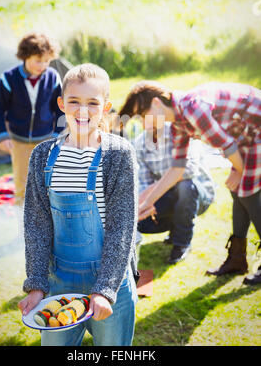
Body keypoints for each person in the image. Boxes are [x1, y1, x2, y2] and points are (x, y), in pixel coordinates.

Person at [18, 63, 139, 346]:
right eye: (74, 101)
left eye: (92, 103)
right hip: (59, 283)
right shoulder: (42, 156)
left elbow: (122, 228)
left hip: (111, 282)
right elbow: (36, 225)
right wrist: (36, 284)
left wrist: (105, 289)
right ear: (61, 104)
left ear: (106, 107)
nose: (82, 110)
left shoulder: (119, 155)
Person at [118, 80, 261, 285]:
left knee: (248, 193)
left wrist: (240, 170)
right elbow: (177, 170)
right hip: (245, 135)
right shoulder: (179, 124)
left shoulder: (192, 108)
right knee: (239, 192)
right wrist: (144, 204)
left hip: (257, 127)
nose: (142, 122)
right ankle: (237, 258)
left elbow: (226, 144)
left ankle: (239, 258)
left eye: (142, 114)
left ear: (157, 103)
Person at [0, 32, 65, 205]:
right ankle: (22, 226)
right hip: (19, 141)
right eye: (38, 61)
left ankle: (47, 224)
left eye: (47, 61)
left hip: (46, 140)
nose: (43, 65)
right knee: (22, 185)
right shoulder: (9, 79)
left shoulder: (53, 77)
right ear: (25, 56)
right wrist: (2, 134)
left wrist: (58, 134)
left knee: (47, 183)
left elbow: (60, 108)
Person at [130, 120, 215, 264]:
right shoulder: (139, 143)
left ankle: (182, 243)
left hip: (198, 193)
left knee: (185, 186)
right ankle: (176, 227)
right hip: (167, 195)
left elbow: (188, 171)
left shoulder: (183, 131)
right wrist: (142, 206)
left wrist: (162, 184)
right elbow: (144, 184)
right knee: (141, 220)